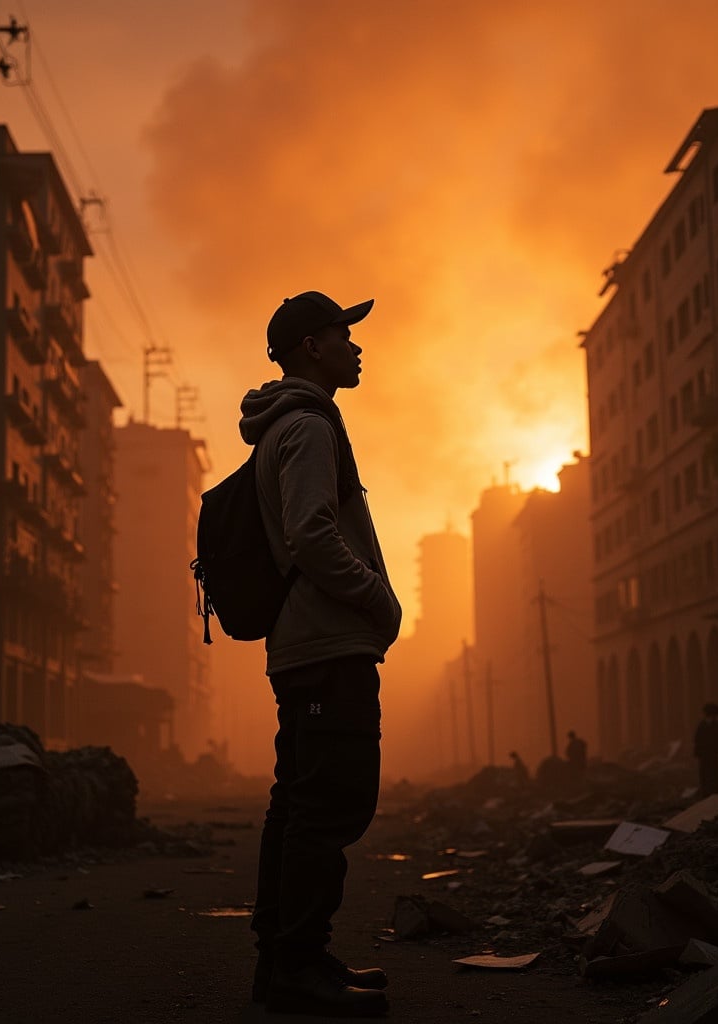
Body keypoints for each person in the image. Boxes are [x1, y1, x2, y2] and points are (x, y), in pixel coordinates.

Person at [240, 290, 402, 1017]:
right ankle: (295, 969)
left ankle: (291, 961)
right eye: (345, 333)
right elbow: (311, 533)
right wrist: (375, 596)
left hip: (305, 645)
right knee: (331, 805)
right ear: (312, 345)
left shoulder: (290, 424)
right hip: (326, 643)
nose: (356, 345)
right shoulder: (307, 427)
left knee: (301, 804)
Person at [693, 702, 718, 797]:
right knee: (705, 774)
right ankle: (705, 793)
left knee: (713, 774)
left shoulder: (717, 725)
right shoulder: (702, 725)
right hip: (705, 754)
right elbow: (697, 740)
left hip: (712, 754)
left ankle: (714, 792)